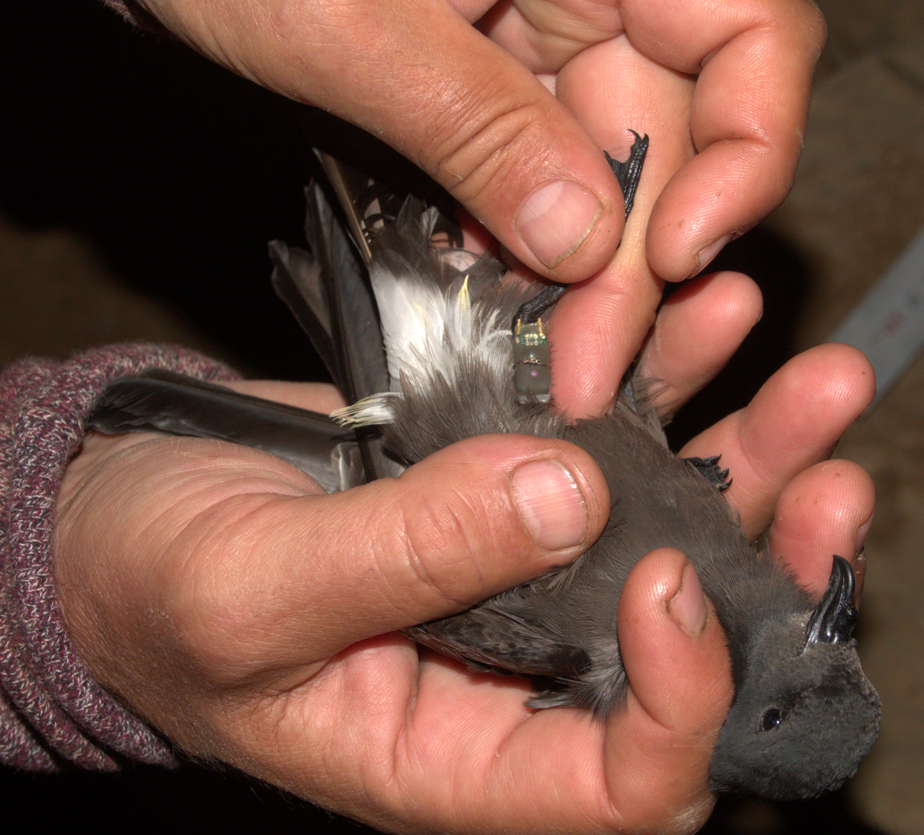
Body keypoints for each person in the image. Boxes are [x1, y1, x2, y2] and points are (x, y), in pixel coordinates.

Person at [1, 1, 876, 833]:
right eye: (840, 644)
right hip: (513, 335)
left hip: (430, 373)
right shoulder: (723, 557)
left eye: (795, 683)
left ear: (750, 707)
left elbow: (410, 461)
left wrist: (72, 526)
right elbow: (569, 392)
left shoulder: (597, 650)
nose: (821, 625)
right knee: (582, 343)